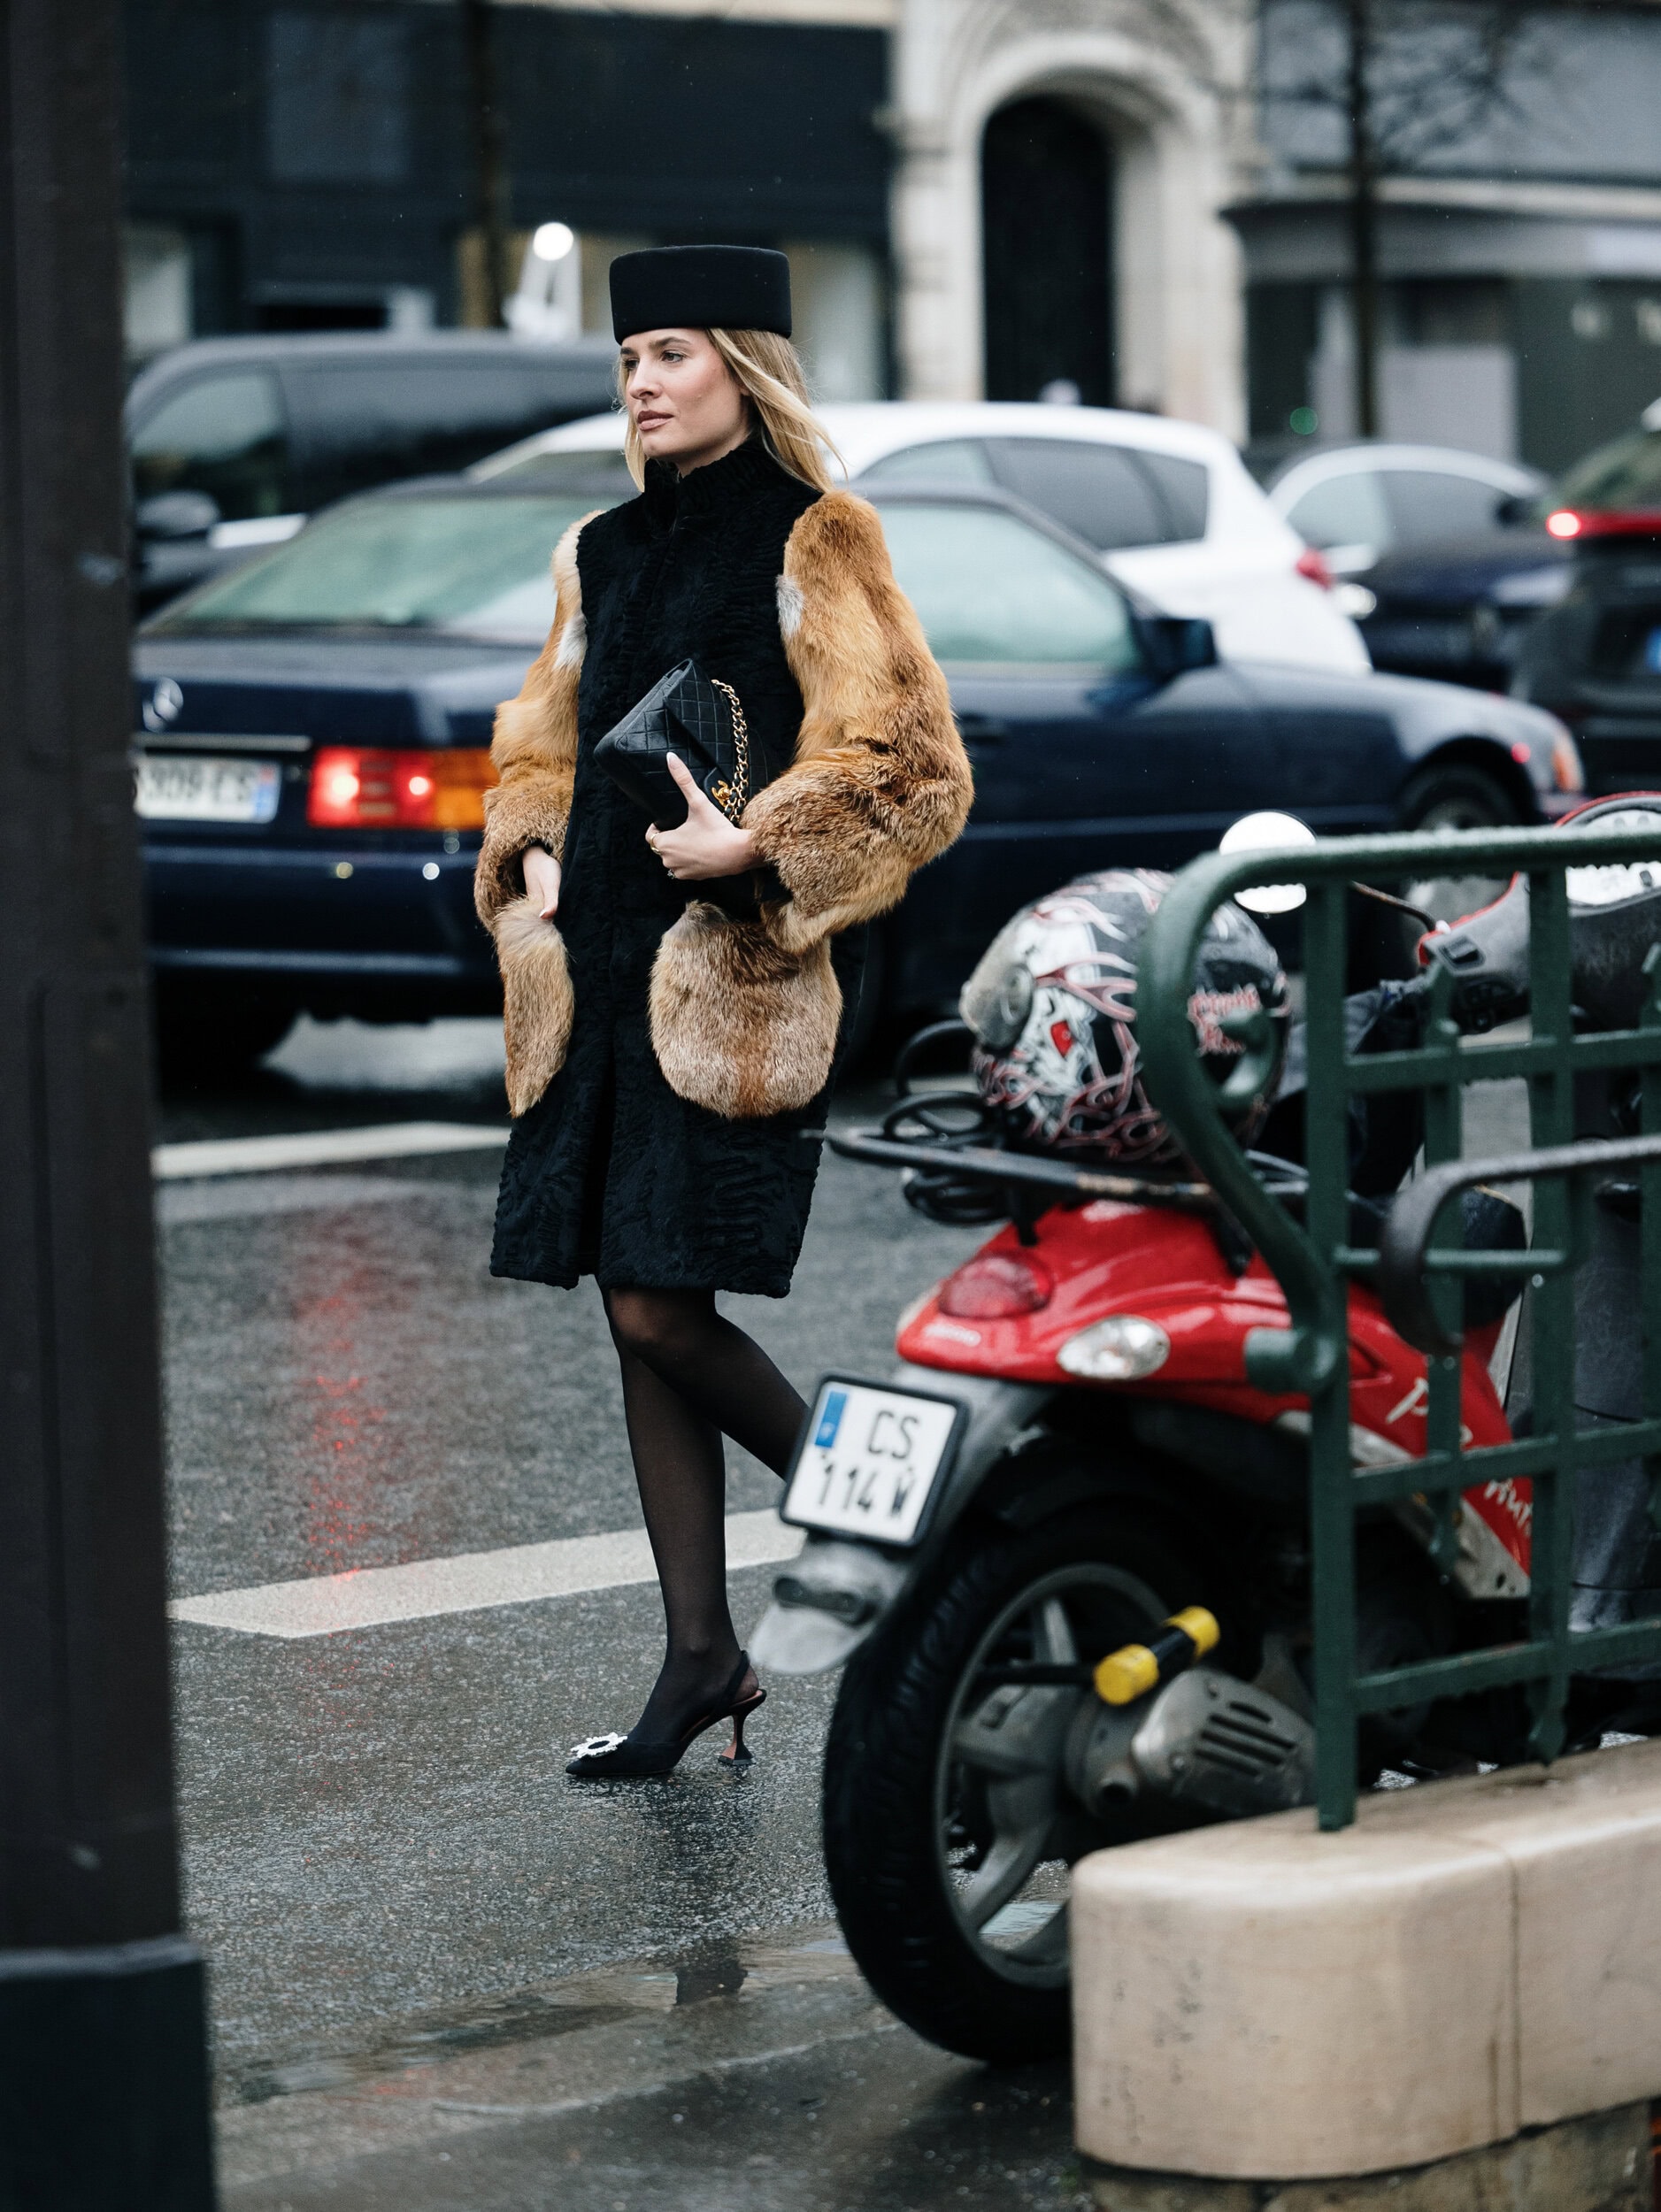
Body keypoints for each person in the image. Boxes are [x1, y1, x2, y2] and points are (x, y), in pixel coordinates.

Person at [473, 245, 973, 1778]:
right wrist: (534, 852)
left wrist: (757, 844)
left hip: (726, 981)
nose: (637, 383)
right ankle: (700, 1658)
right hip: (597, 978)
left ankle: (928, 1526)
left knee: (660, 1308)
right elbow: (536, 749)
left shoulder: (814, 537)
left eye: (670, 355)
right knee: (637, 1321)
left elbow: (913, 768)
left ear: (739, 366)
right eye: (626, 360)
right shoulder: (600, 550)